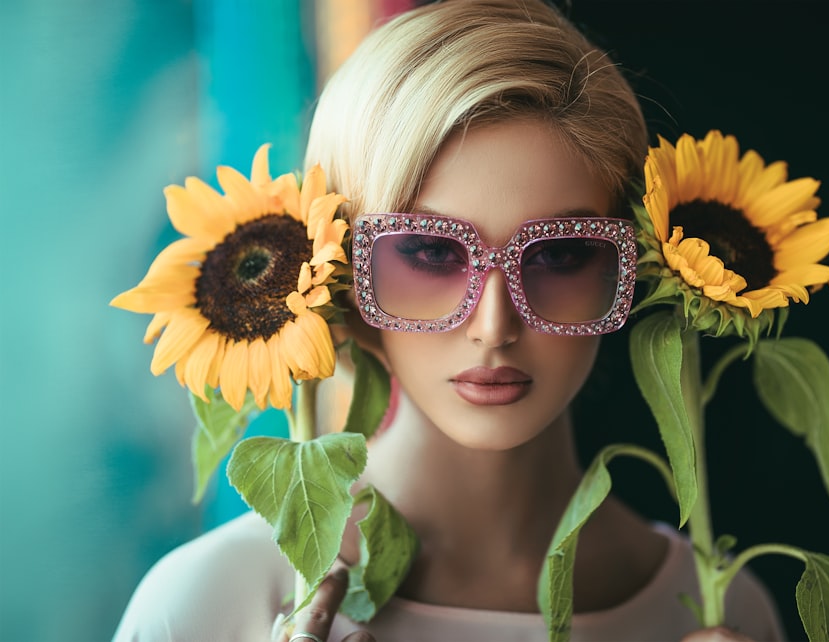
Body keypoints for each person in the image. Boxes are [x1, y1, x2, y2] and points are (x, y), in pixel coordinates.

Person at [114, 1, 785, 640]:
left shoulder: (720, 611)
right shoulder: (213, 607)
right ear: (339, 269)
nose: (494, 325)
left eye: (558, 253)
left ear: (633, 266)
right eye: (430, 252)